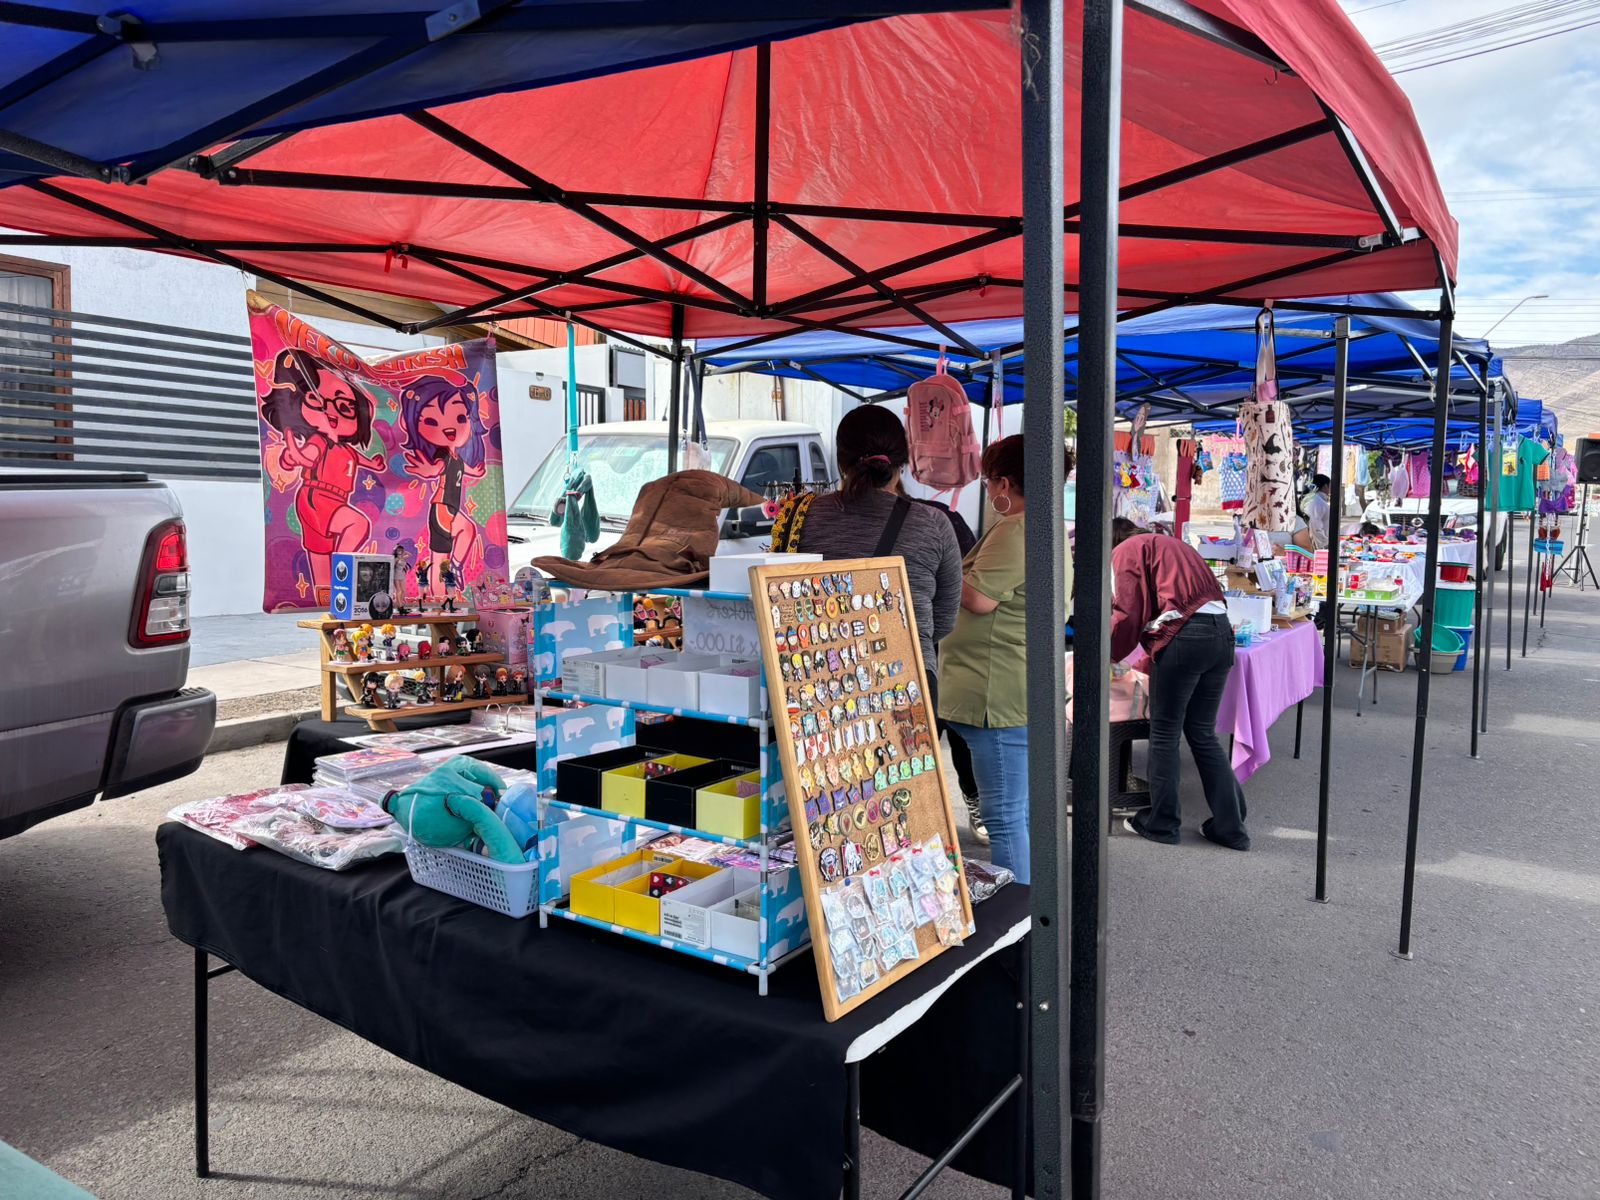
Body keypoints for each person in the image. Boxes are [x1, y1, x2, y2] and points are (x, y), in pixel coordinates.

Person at [938, 436, 1075, 884]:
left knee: (1005, 817)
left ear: (1004, 482)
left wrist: (935, 570)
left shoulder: (1018, 530)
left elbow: (977, 599)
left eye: (989, 481)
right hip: (1008, 686)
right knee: (1018, 812)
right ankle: (1032, 911)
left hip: (996, 693)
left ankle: (1022, 926)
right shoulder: (1041, 525)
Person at [796, 404, 963, 687]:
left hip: (822, 681)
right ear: (902, 462)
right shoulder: (934, 524)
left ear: (841, 461)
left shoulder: (800, 516)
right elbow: (944, 620)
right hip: (909, 679)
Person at [1111, 519, 1249, 850]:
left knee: (1164, 735)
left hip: (1185, 638)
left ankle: (1162, 823)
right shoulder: (1175, 545)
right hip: (1220, 633)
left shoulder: (1126, 551)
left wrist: (1106, 654)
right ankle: (1231, 827)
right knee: (1202, 734)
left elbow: (1128, 613)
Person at [1304, 473, 1332, 550]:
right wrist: (1324, 545)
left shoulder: (1315, 500)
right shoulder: (1316, 502)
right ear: (1325, 486)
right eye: (1330, 486)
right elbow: (1315, 527)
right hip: (1318, 545)